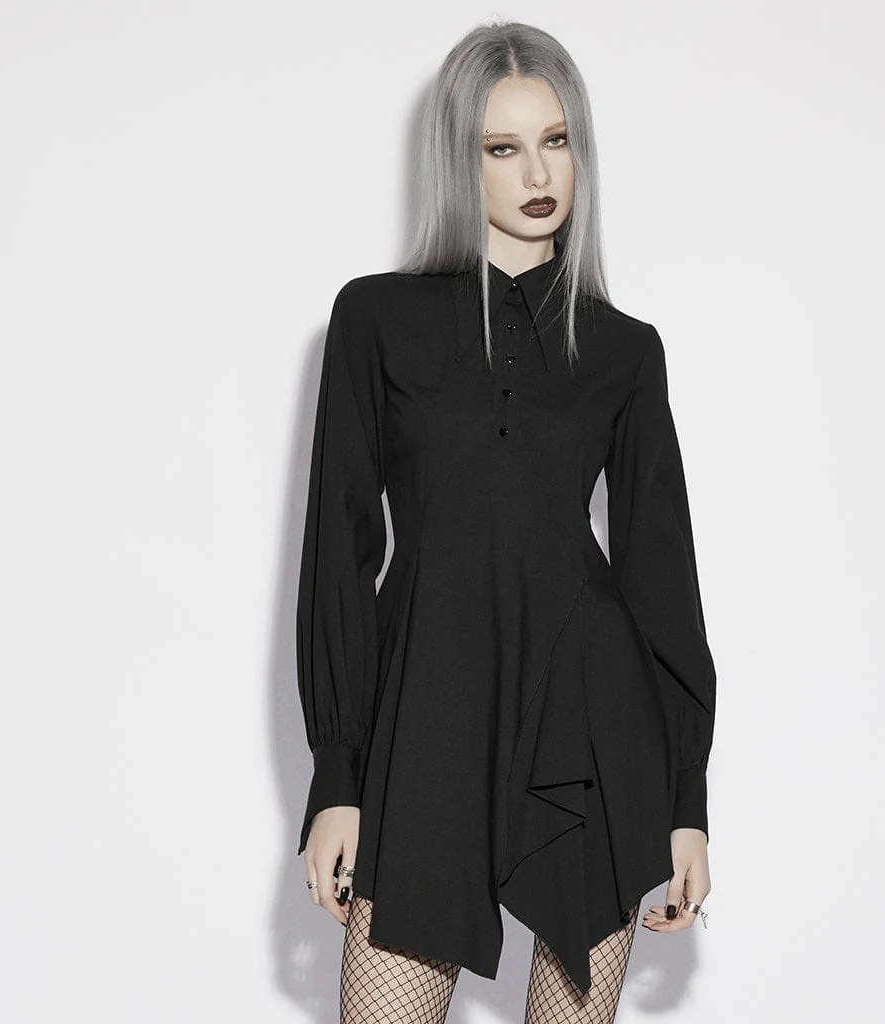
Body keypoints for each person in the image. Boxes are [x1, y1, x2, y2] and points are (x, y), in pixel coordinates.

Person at [295, 19, 717, 1024]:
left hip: (590, 735)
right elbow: (339, 556)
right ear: (459, 157)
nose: (537, 172)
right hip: (427, 725)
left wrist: (685, 805)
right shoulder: (375, 320)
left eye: (556, 141)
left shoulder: (623, 350)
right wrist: (337, 778)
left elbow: (660, 582)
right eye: (503, 147)